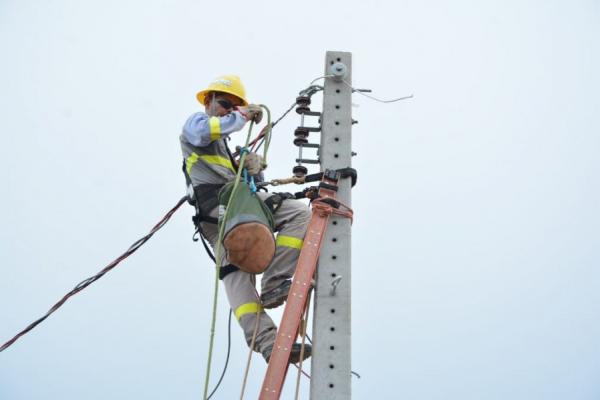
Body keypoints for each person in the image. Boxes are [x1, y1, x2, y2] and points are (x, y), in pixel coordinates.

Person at [180, 75, 312, 363]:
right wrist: (242, 115)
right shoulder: (196, 125)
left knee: (235, 277)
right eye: (225, 104)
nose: (229, 110)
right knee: (298, 213)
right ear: (209, 101)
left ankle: (268, 344)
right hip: (222, 209)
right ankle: (275, 283)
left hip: (225, 214)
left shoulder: (223, 149)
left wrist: (250, 169)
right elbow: (205, 133)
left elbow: (246, 184)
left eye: (234, 106)